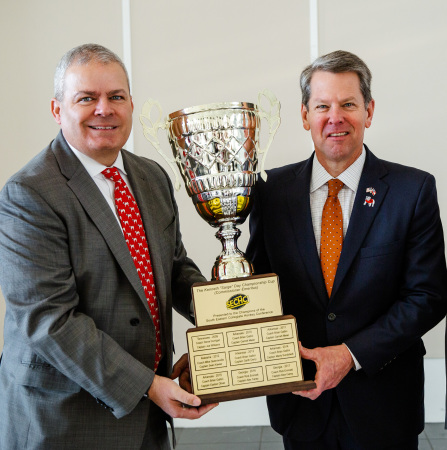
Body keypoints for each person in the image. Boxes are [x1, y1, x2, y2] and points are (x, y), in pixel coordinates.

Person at [0, 43, 217, 449]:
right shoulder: (28, 195)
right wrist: (148, 385)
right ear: (56, 109)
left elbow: (172, 267)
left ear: (131, 104)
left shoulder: (151, 177)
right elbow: (50, 322)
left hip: (147, 418)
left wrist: (229, 315)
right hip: (64, 419)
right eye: (87, 98)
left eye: (116, 96)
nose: (105, 109)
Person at [246, 50, 447, 450]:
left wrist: (349, 354)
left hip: (384, 403)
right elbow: (258, 287)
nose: (334, 117)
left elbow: (427, 296)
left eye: (348, 104)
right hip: (302, 401)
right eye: (322, 105)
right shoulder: (269, 191)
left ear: (369, 111)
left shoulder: (413, 191)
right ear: (305, 116)